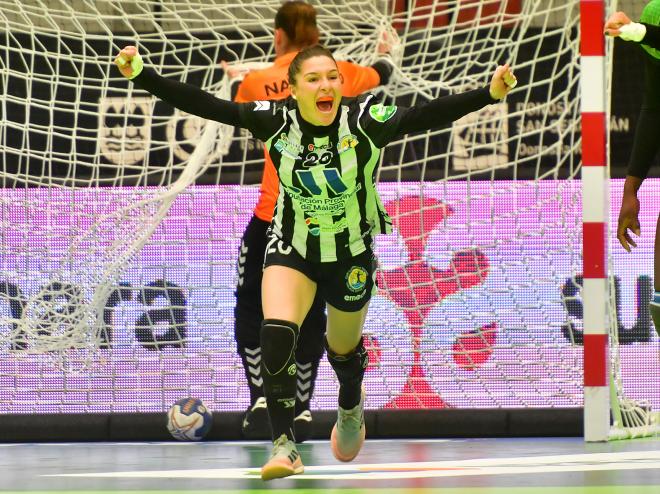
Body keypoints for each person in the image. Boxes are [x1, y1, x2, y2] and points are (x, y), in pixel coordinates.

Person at [114, 43, 516, 480]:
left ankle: (350, 405)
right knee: (276, 331)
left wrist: (489, 94)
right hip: (292, 246)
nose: (326, 85)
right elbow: (208, 105)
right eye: (314, 79)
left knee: (343, 349)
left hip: (349, 254)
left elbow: (425, 115)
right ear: (294, 88)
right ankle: (284, 446)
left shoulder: (364, 119)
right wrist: (142, 76)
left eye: (332, 78)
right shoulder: (273, 119)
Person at [225, 0, 395, 442]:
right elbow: (381, 76)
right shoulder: (344, 72)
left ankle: (262, 395)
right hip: (335, 219)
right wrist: (386, 54)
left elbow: (242, 102)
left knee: (252, 308)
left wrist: (239, 79)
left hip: (274, 214)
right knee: (316, 314)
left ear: (278, 35)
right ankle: (302, 406)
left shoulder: (258, 81)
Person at [605, 1, 660, 336]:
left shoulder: (646, 28)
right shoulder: (654, 11)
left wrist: (636, 32)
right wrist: (630, 190)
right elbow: (655, 107)